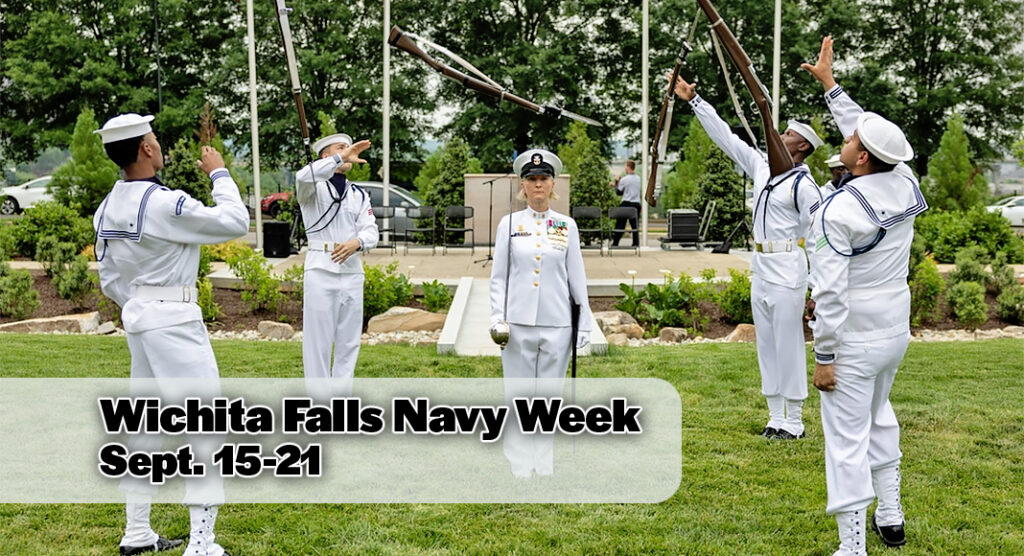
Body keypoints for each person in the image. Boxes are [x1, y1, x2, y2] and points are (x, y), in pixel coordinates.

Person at [93, 113, 250, 556]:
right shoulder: (165, 203)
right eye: (154, 139)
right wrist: (218, 172)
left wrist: (138, 304)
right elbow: (235, 222)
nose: (158, 144)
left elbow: (108, 278)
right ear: (145, 149)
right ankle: (202, 543)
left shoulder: (106, 207)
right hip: (174, 319)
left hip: (139, 319)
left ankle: (137, 531)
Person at [802, 36, 928, 555]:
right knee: (881, 416)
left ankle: (852, 546)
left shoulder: (838, 210)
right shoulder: (902, 179)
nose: (848, 137)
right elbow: (877, 136)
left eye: (852, 140)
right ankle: (891, 516)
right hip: (894, 328)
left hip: (852, 337)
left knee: (845, 440)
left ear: (858, 160)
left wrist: (824, 355)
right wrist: (831, 87)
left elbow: (830, 294)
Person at [670, 74, 823, 440]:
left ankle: (796, 419)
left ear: (801, 146)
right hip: (762, 266)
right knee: (767, 343)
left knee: (788, 342)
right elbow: (725, 137)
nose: (779, 137)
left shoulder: (804, 184)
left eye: (786, 135)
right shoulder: (761, 167)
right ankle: (775, 416)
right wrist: (695, 101)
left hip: (788, 264)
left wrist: (819, 286)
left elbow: (818, 237)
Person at [489, 148, 592, 478]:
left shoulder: (566, 225)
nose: (537, 185)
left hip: (557, 323)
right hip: (517, 324)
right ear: (522, 185)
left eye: (543, 179)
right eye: (531, 179)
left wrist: (584, 322)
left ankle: (543, 462)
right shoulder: (509, 224)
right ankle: (520, 463)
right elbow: (499, 277)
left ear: (552, 184)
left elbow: (576, 277)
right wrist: (496, 316)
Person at [294, 133, 376, 384]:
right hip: (320, 270)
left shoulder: (358, 194)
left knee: (348, 343)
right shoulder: (312, 188)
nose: (349, 151)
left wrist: (358, 242)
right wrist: (343, 156)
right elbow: (302, 175)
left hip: (351, 272)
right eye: (341, 148)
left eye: (348, 147)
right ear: (325, 156)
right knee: (317, 344)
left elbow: (371, 230)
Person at [609, 159, 642, 247]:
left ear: (628, 167)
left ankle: (615, 243)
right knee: (635, 226)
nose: (624, 168)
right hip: (636, 205)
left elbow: (619, 192)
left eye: (625, 166)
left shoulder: (624, 179)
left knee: (620, 224)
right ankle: (636, 243)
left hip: (626, 204)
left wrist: (616, 183)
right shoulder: (638, 179)